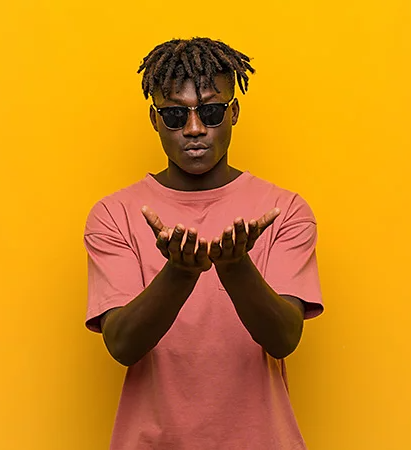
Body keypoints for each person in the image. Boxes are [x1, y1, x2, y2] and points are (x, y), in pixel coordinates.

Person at [84, 37, 324, 450]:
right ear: (154, 119)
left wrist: (235, 268)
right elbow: (122, 345)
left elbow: (284, 338)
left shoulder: (284, 209)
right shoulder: (113, 215)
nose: (194, 129)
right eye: (176, 115)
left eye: (210, 112)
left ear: (233, 112)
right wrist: (179, 272)